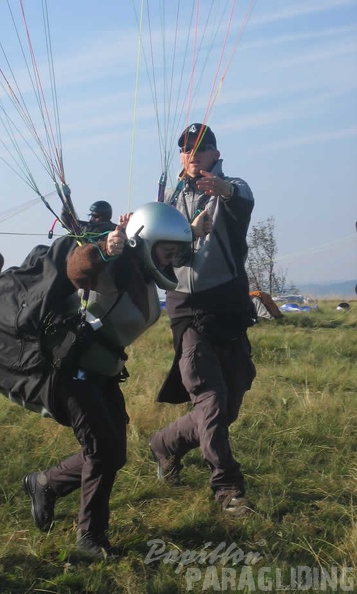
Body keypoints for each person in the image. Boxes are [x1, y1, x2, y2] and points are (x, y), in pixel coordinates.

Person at [21, 202, 192, 558]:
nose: (169, 260)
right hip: (73, 373)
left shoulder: (145, 278)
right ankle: (90, 539)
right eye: (166, 250)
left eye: (175, 253)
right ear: (145, 243)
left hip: (104, 375)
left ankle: (45, 483)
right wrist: (105, 249)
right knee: (102, 452)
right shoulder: (116, 268)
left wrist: (197, 228)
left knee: (113, 454)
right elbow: (78, 270)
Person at [149, 122, 257, 517]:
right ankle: (227, 488)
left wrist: (222, 190)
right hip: (187, 311)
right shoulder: (169, 202)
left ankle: (165, 445)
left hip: (227, 308)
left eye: (198, 149)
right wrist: (188, 234)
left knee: (226, 408)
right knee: (210, 399)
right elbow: (157, 252)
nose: (190, 156)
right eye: (185, 150)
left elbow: (241, 197)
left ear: (214, 152)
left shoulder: (230, 190)